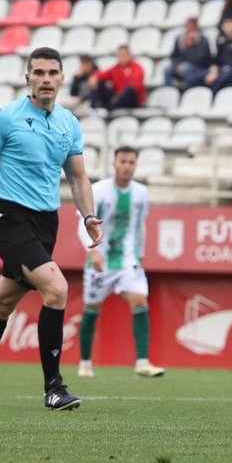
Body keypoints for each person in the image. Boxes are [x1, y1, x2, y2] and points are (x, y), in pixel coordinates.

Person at [0, 46, 99, 411]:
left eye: (53, 72)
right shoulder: (4, 119)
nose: (46, 79)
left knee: (2, 304)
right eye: (39, 72)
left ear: (63, 78)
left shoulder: (68, 121)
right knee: (57, 289)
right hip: (9, 219)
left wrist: (89, 215)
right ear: (27, 78)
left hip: (46, 223)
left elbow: (78, 176)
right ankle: (54, 388)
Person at [75, 147, 163, 379]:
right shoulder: (98, 190)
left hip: (128, 260)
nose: (127, 166)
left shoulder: (141, 193)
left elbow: (140, 225)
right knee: (92, 308)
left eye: (131, 162)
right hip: (101, 259)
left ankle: (142, 362)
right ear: (114, 163)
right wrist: (93, 252)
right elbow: (83, 224)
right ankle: (85, 362)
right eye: (123, 161)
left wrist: (141, 255)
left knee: (140, 300)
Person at [90, 46, 145, 111]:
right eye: (120, 55)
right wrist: (94, 77)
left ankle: (108, 110)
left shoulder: (136, 67)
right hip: (118, 98)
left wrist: (120, 95)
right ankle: (93, 108)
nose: (122, 57)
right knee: (99, 83)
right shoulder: (116, 68)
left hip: (131, 101)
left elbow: (135, 85)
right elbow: (103, 74)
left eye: (124, 54)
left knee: (130, 90)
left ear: (129, 55)